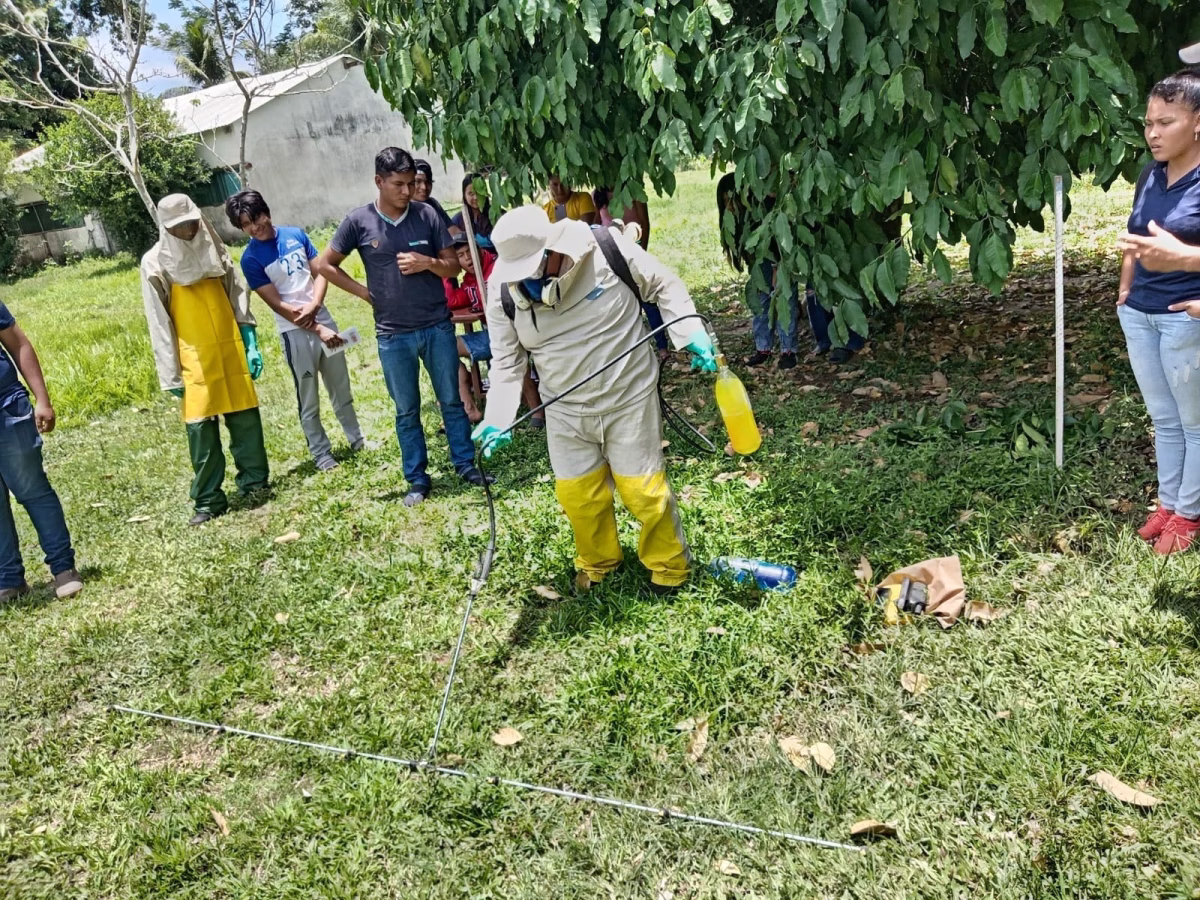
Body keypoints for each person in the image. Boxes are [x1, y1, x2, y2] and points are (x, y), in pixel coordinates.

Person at [471, 206, 718, 593]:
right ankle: (599, 563)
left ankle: (670, 566)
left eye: (533, 268)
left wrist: (689, 331)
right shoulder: (501, 287)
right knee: (578, 494)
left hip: (628, 394)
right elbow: (506, 361)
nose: (527, 279)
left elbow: (663, 284)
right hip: (564, 406)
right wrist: (498, 416)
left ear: (553, 248)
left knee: (643, 489)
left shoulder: (605, 249)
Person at [315, 147, 491, 507]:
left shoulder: (427, 215)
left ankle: (465, 465)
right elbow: (325, 265)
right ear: (379, 181)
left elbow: (452, 267)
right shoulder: (359, 221)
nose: (407, 191)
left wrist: (427, 262)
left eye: (412, 184)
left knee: (452, 401)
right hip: (393, 334)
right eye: (399, 184)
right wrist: (365, 293)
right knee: (407, 410)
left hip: (437, 326)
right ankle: (417, 479)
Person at [140, 194, 270, 526]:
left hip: (228, 345)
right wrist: (170, 373)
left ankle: (254, 482)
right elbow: (159, 321)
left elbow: (237, 291)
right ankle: (209, 499)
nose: (187, 230)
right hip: (191, 355)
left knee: (245, 418)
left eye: (191, 223)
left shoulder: (215, 249)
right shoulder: (154, 263)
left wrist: (251, 341)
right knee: (201, 429)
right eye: (179, 226)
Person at [1116, 68, 1200, 554]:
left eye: (1165, 122)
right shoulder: (1149, 173)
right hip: (1141, 313)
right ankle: (1169, 503)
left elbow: (1175, 250)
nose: (1152, 133)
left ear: (1198, 123)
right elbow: (1138, 233)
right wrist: (1126, 287)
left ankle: (1189, 514)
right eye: (1148, 122)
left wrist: (1184, 260)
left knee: (1194, 422)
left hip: (1185, 316)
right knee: (1163, 419)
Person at [226, 189, 364, 472]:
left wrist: (315, 304)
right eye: (247, 224)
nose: (256, 226)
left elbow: (320, 272)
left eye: (258, 217)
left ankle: (357, 439)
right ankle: (321, 454)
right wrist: (317, 328)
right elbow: (278, 305)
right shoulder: (250, 259)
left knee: (341, 385)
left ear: (267, 212)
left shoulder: (295, 235)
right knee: (308, 395)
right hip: (296, 332)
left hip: (323, 318)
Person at [717, 173, 864, 367]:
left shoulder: (763, 208)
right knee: (762, 303)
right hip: (762, 263)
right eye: (725, 202)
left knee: (785, 299)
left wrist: (779, 267)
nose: (730, 207)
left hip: (782, 259)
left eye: (733, 200)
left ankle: (789, 350)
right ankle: (763, 348)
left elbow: (782, 237)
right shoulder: (736, 220)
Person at [0, 302, 83, 601]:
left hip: (6, 408)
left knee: (32, 490)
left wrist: (42, 399)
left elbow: (18, 342)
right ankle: (8, 580)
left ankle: (63, 569)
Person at [443, 232, 544, 426]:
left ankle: (537, 412)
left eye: (469, 252)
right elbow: (452, 301)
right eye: (461, 256)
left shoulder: (499, 269)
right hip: (493, 334)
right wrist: (448, 275)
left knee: (513, 350)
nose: (467, 259)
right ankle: (469, 407)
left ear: (480, 249)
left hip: (520, 328)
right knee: (446, 348)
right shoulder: (470, 281)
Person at [594, 186, 668, 360]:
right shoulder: (597, 195)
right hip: (611, 258)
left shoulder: (634, 190)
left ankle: (662, 346)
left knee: (648, 301)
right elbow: (596, 226)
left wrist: (641, 253)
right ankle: (632, 350)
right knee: (621, 304)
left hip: (634, 253)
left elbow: (644, 222)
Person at [449, 172, 494, 242]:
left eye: (479, 192)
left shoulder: (496, 214)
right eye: (471, 193)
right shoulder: (458, 220)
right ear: (464, 195)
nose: (475, 197)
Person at [413, 159, 454, 228]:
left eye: (428, 182)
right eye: (418, 182)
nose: (424, 187)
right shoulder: (402, 209)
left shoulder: (433, 204)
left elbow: (451, 229)